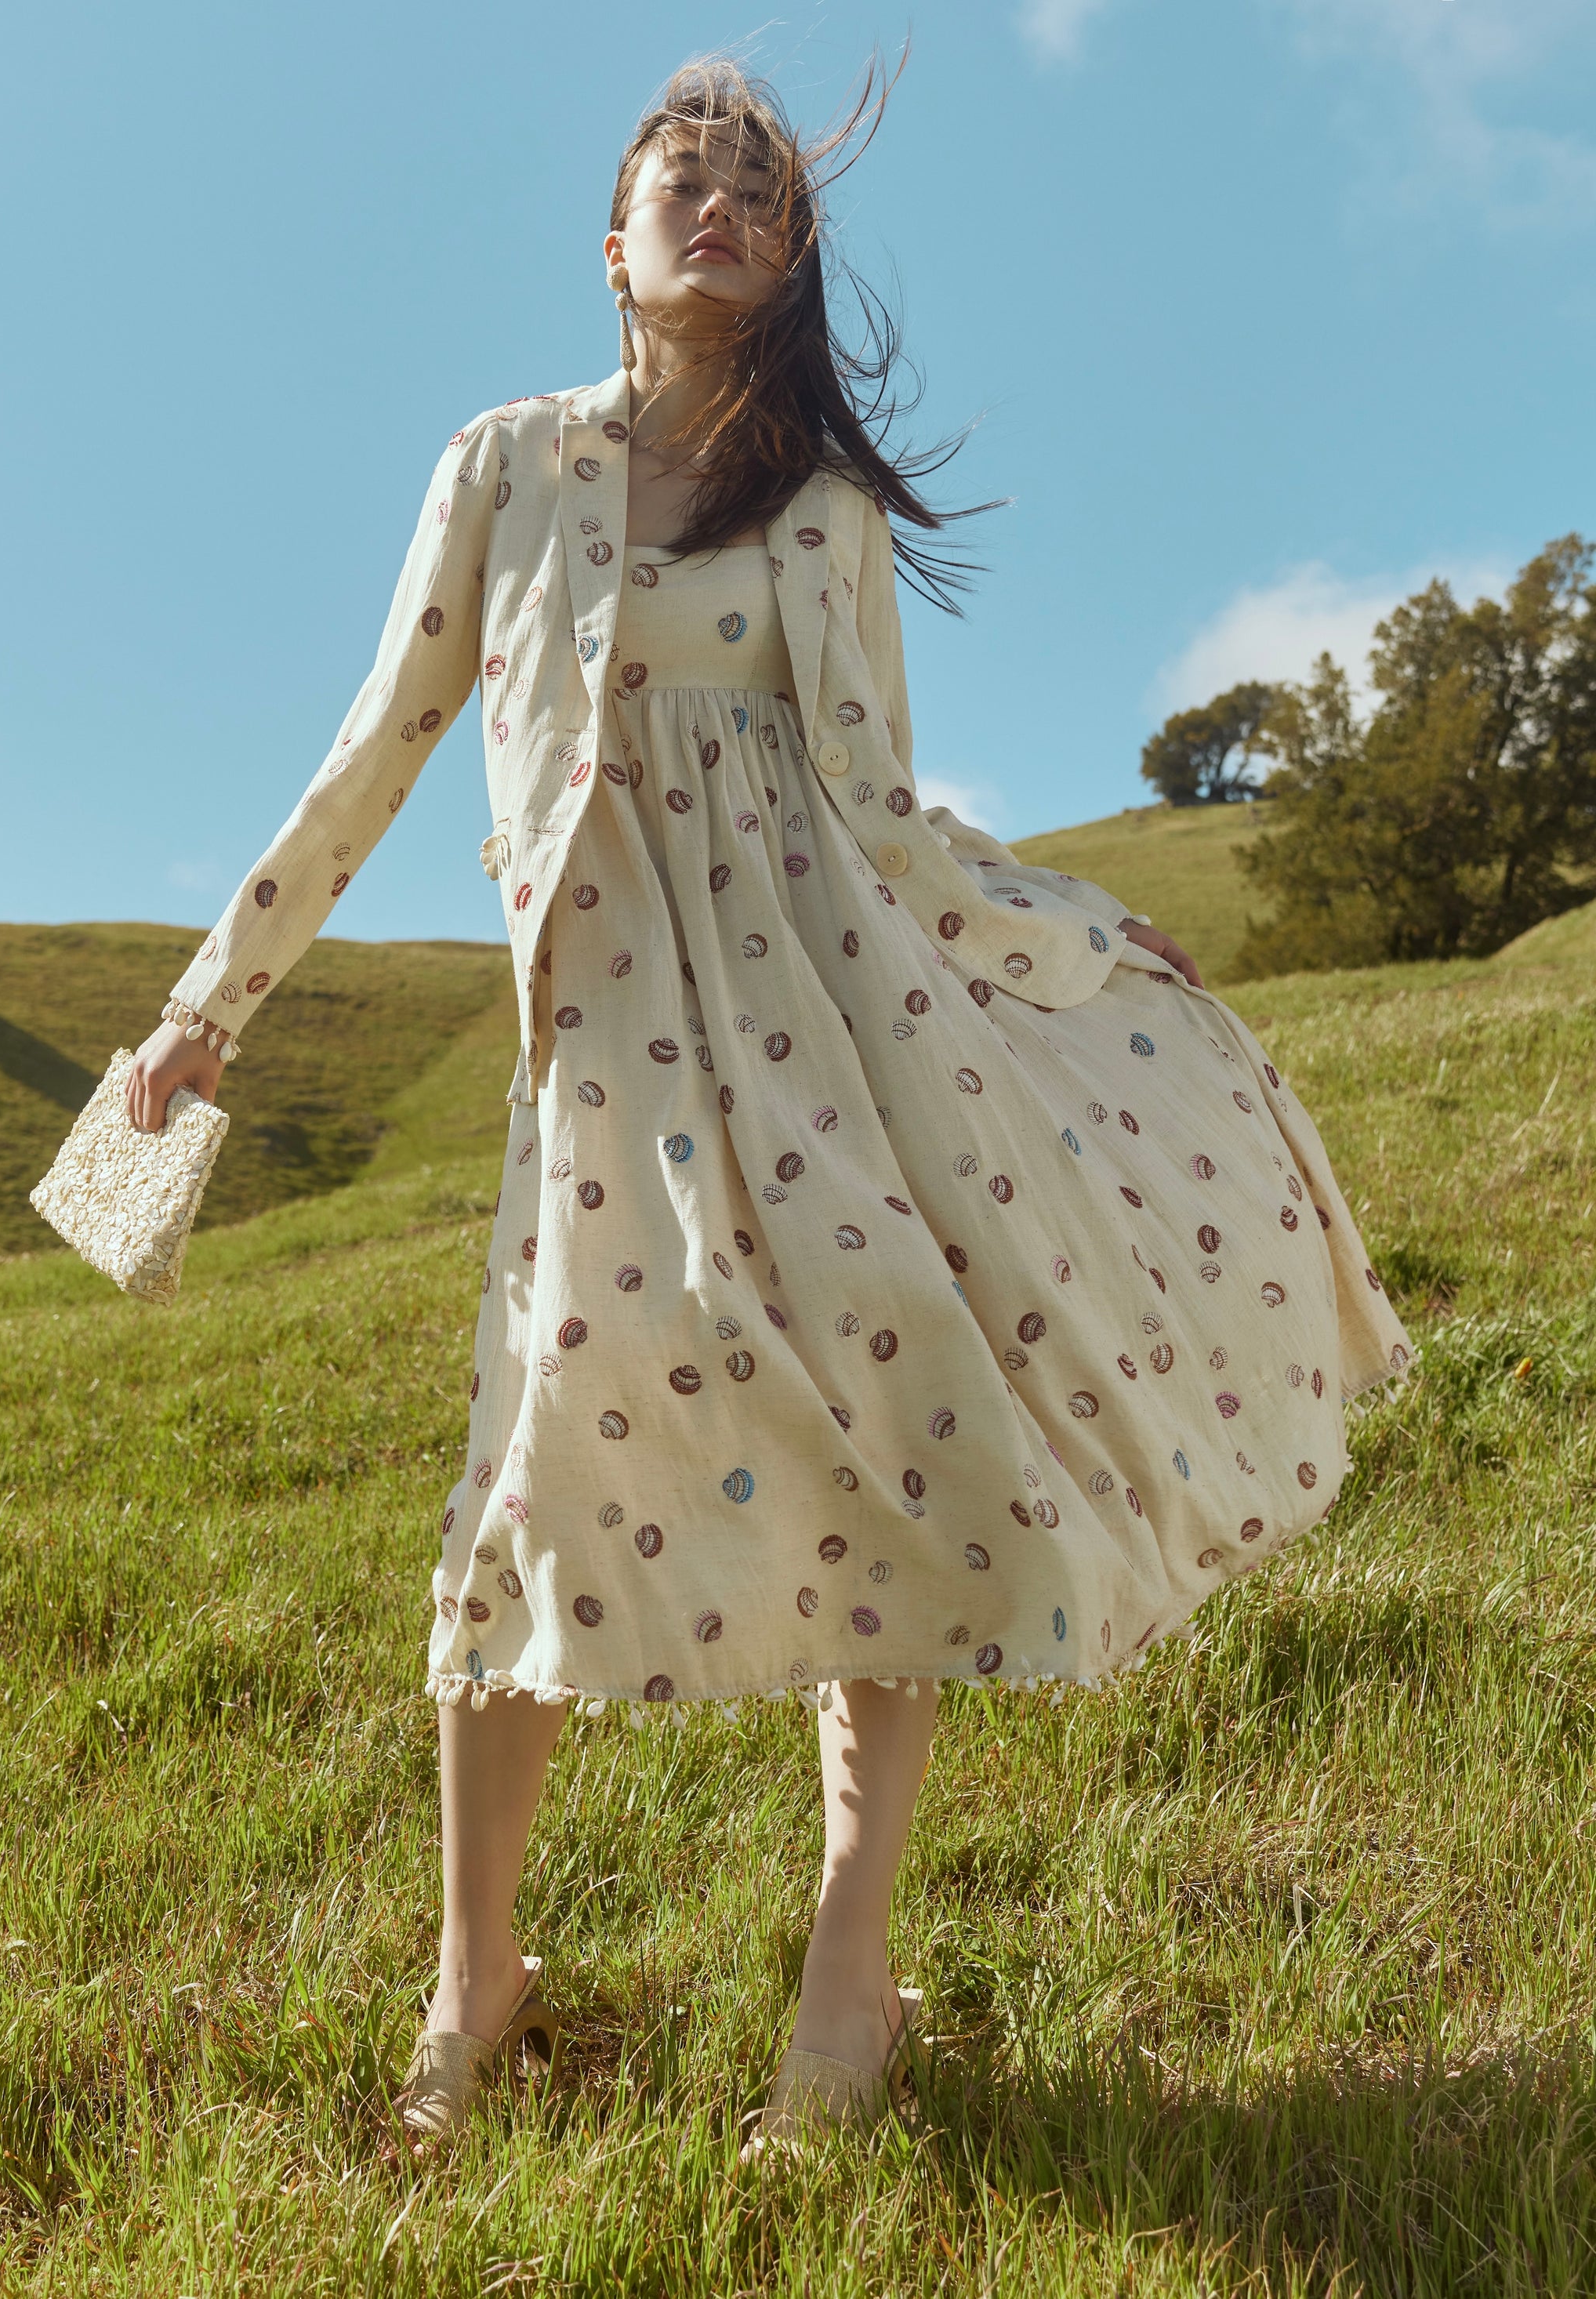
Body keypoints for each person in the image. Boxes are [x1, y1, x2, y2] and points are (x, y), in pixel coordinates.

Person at [125, 56, 1413, 2151]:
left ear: (793, 251)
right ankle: (478, 1981)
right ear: (610, 237)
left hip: (832, 1023)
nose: (717, 203)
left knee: (893, 1408)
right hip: (613, 1052)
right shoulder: (507, 467)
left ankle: (848, 1965)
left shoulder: (820, 518)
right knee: (540, 1462)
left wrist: (1080, 935)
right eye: (681, 176)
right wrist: (212, 1006)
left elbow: (884, 816)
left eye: (755, 187)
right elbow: (379, 742)